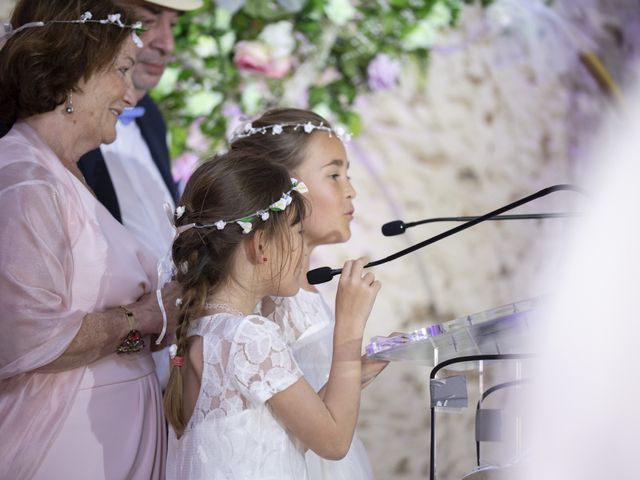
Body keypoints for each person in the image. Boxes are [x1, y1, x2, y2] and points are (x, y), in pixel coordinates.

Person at [0, 1, 179, 478]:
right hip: (62, 442)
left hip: (110, 433)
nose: (128, 92)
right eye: (121, 69)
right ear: (75, 71)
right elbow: (23, 337)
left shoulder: (62, 171)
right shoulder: (25, 179)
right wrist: (142, 314)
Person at [163, 151, 382, 479]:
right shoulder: (250, 336)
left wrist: (353, 376)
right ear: (261, 246)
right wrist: (350, 327)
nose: (303, 248)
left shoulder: (203, 330)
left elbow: (279, 436)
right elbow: (334, 442)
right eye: (296, 233)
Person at [228, 108, 389, 479]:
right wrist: (349, 327)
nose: (351, 190)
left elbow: (300, 397)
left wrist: (353, 374)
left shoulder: (303, 282)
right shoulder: (267, 294)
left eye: (347, 174)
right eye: (333, 175)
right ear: (280, 188)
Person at [78, 0, 203, 388]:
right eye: (147, 22)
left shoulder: (150, 118)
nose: (166, 44)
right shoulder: (30, 137)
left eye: (173, 25)